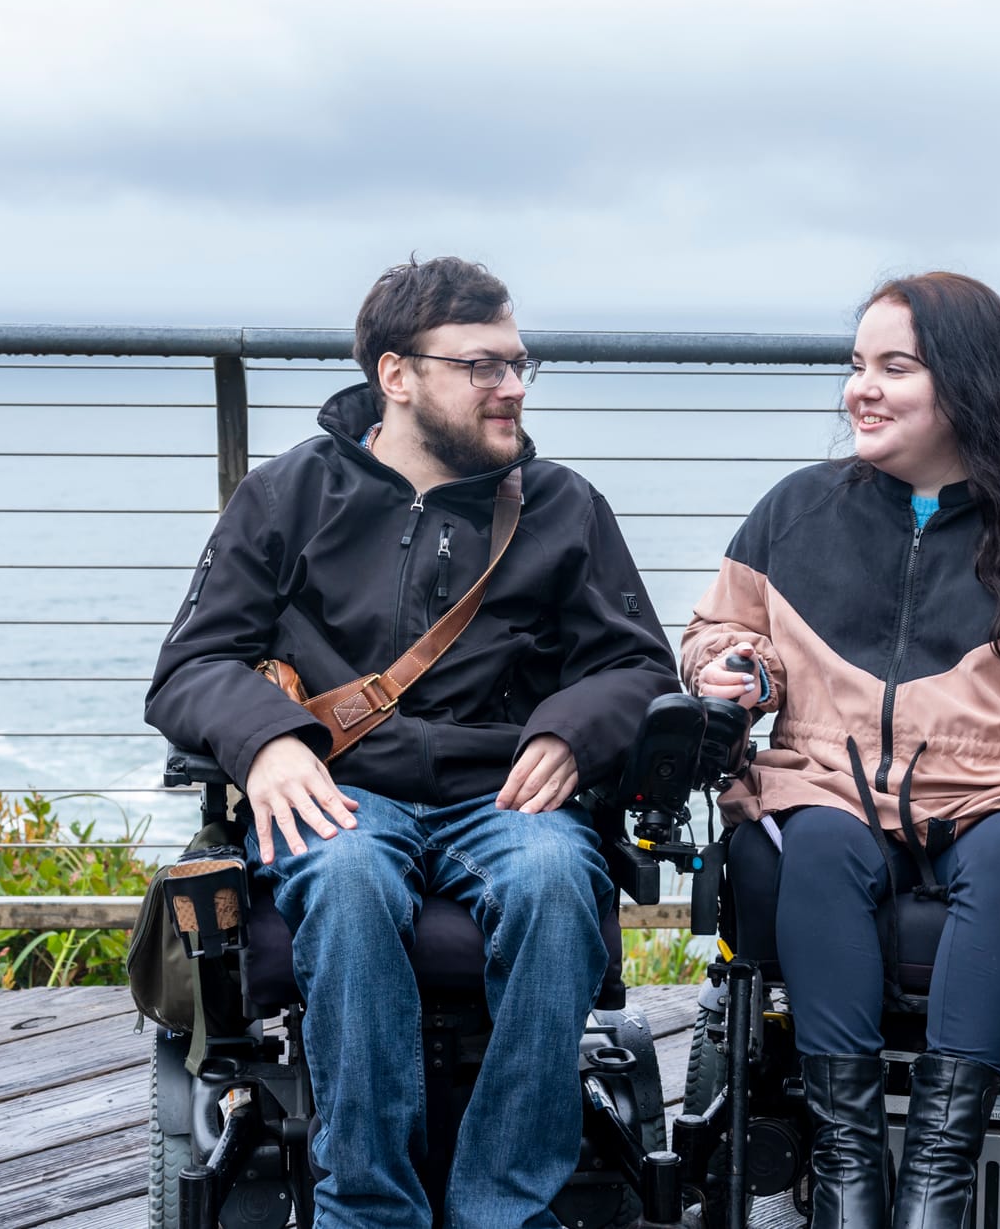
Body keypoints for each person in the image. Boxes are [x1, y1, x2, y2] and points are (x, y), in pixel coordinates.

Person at [146, 256, 678, 1229]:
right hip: (340, 786)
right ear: (397, 375)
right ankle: (369, 1207)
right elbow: (189, 668)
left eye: (518, 364)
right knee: (346, 883)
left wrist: (570, 727)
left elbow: (640, 667)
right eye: (482, 366)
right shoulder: (288, 497)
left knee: (556, 882)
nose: (511, 386)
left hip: (504, 791)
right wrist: (267, 743)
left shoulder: (560, 506)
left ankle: (501, 1205)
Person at [680, 271, 1000, 1229]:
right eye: (857, 364)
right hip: (827, 779)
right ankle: (848, 1173)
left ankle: (937, 1183)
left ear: (968, 382)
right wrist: (735, 668)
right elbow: (722, 630)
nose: (860, 387)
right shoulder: (796, 511)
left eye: (894, 366)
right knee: (813, 847)